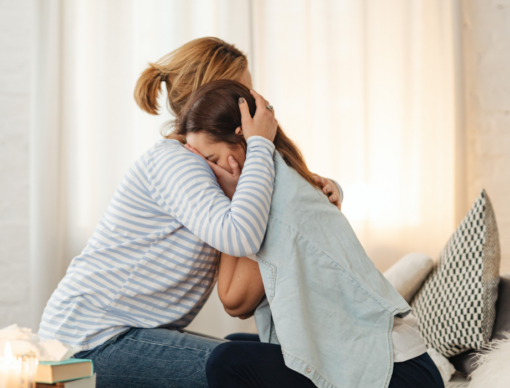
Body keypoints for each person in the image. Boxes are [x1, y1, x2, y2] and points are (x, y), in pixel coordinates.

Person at [38, 37, 341, 388]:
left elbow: (266, 214)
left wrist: (324, 187)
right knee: (248, 371)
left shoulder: (210, 166)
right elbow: (241, 234)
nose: (255, 113)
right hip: (89, 341)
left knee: (251, 358)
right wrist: (260, 143)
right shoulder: (175, 161)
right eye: (245, 96)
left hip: (115, 334)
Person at [178, 80, 445, 388]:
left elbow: (235, 301)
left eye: (211, 161)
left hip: (397, 373)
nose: (209, 175)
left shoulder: (278, 196)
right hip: (378, 362)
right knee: (233, 344)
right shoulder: (275, 182)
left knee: (227, 360)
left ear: (244, 140)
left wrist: (233, 201)